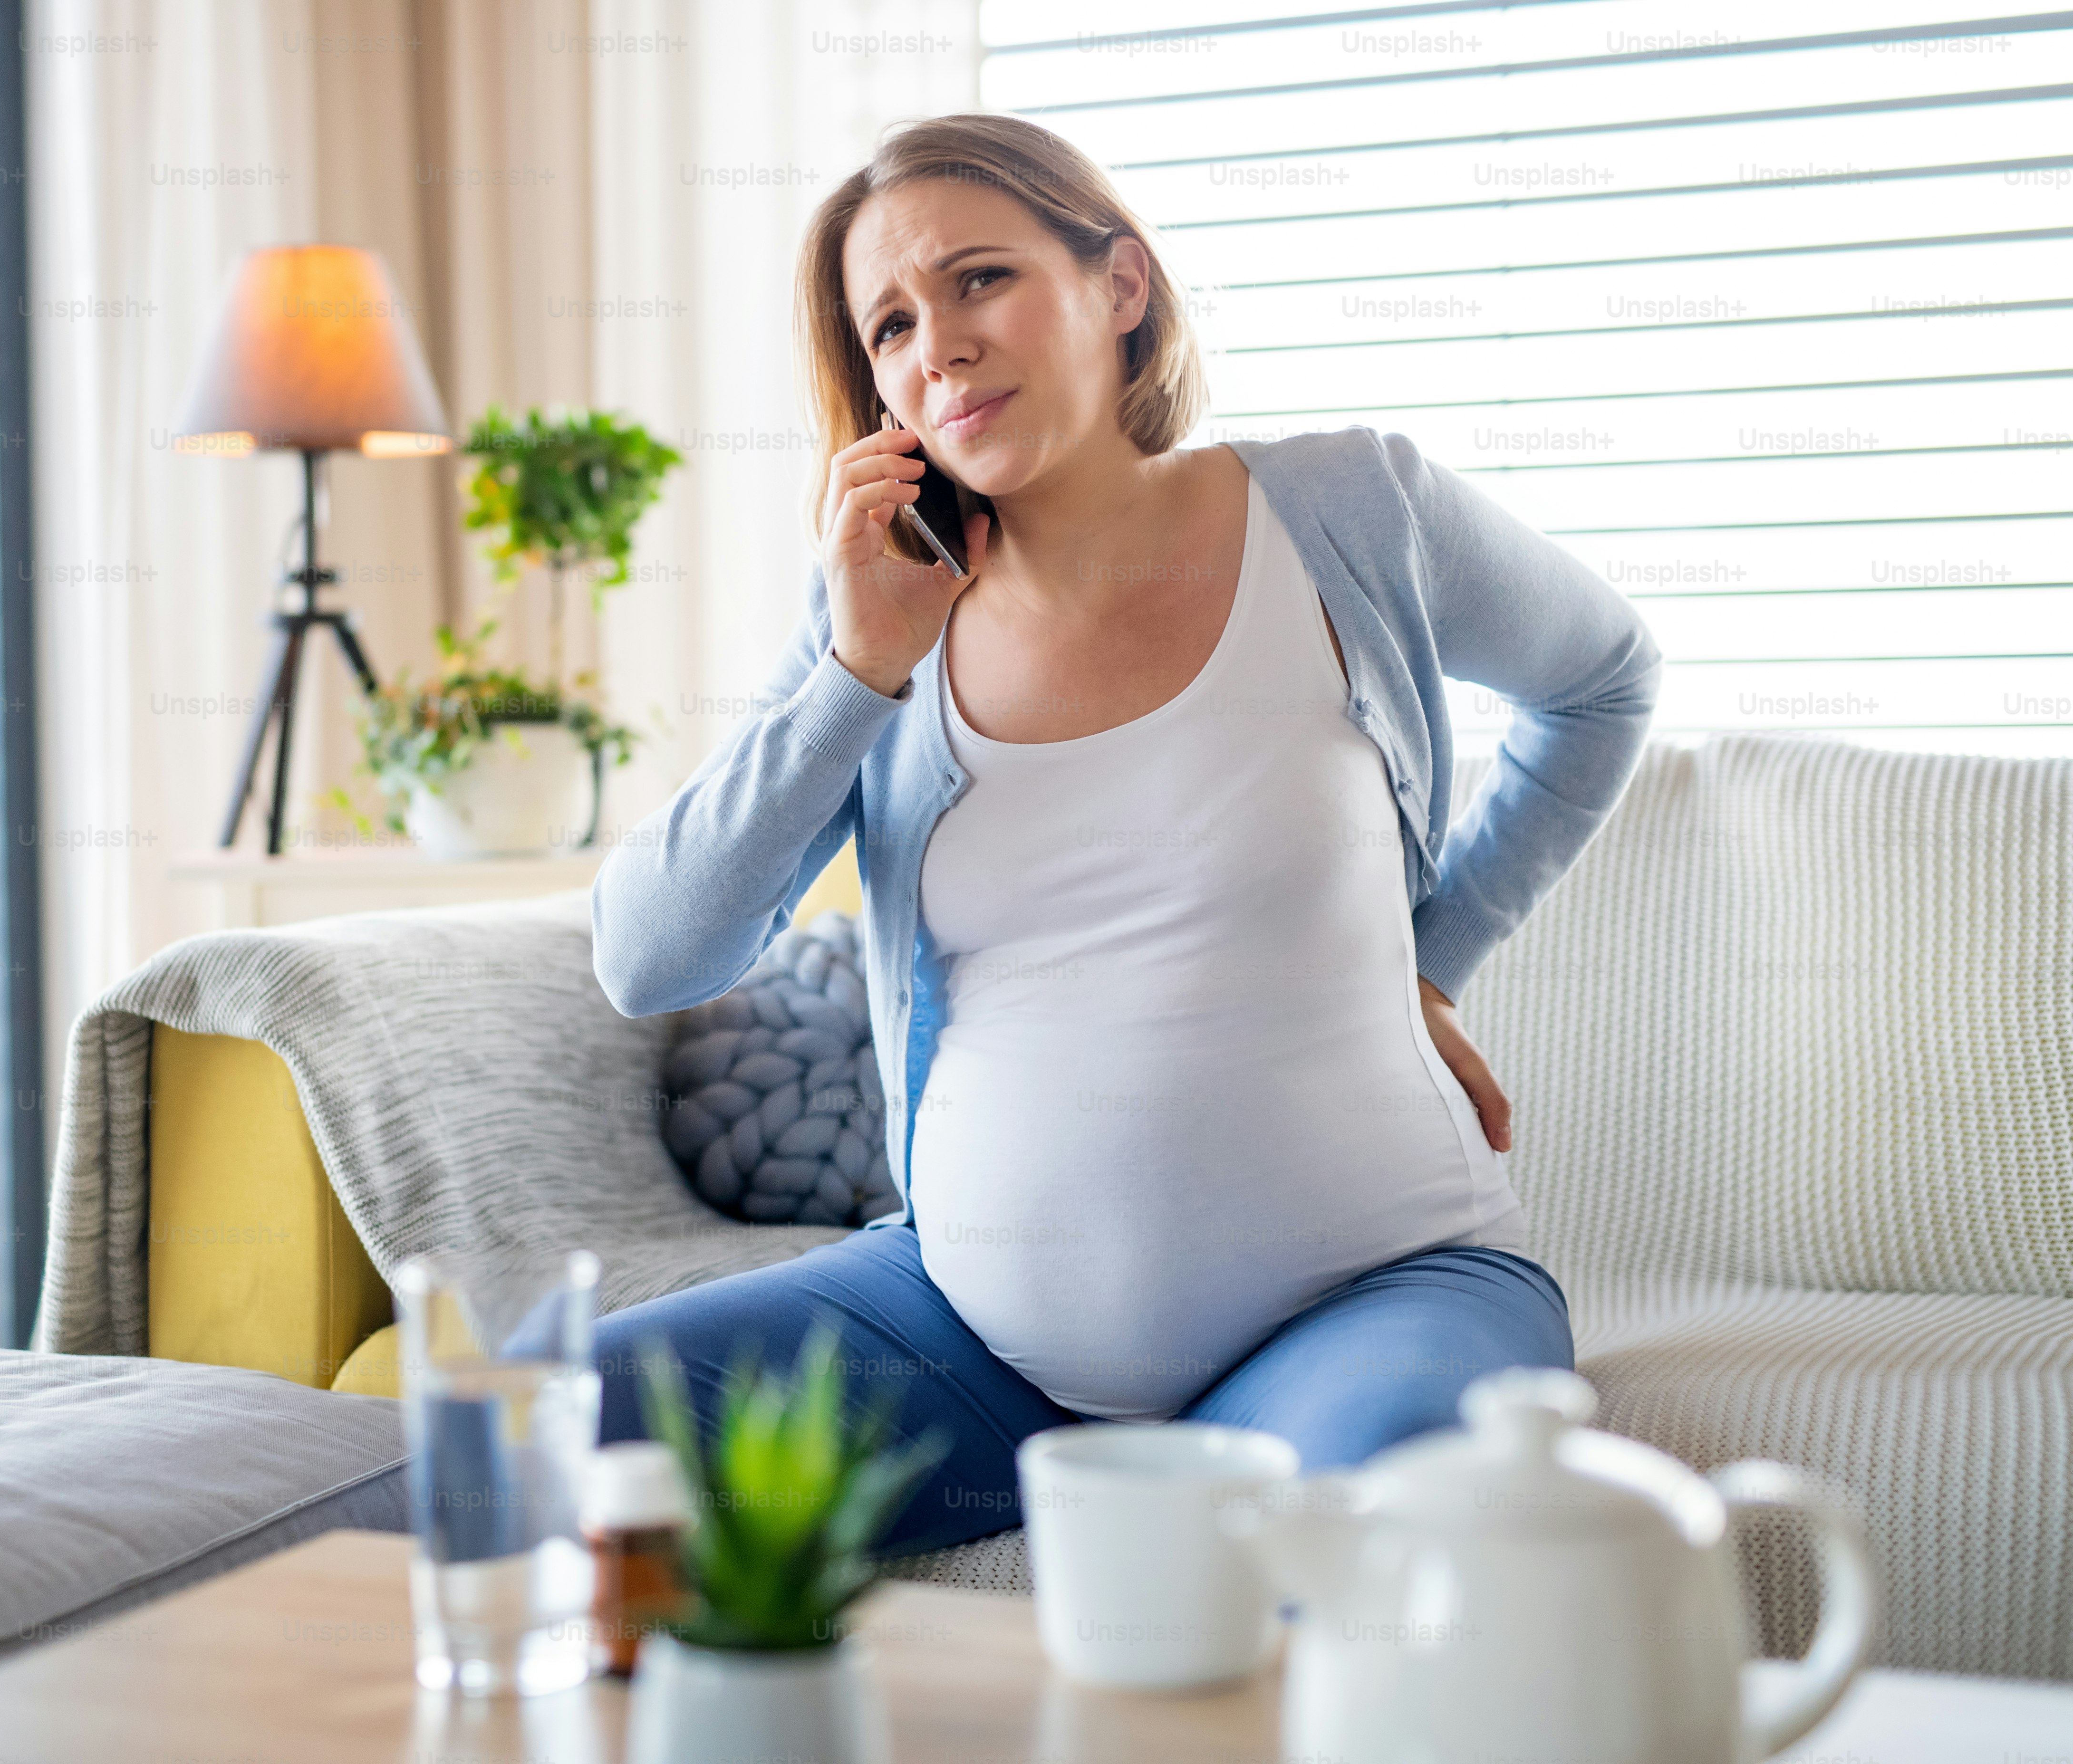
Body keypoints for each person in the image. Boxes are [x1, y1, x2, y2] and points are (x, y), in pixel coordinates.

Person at [588, 113, 1660, 1559]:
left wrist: (1436, 957)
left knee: (1373, 1536)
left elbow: (1603, 680)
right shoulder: (878, 626)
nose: (941, 346)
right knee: (565, 1428)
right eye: (892, 325)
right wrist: (857, 671)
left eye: (981, 280)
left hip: (1378, 1294)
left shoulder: (1352, 515)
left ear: (1120, 285)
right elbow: (651, 958)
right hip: (966, 1339)